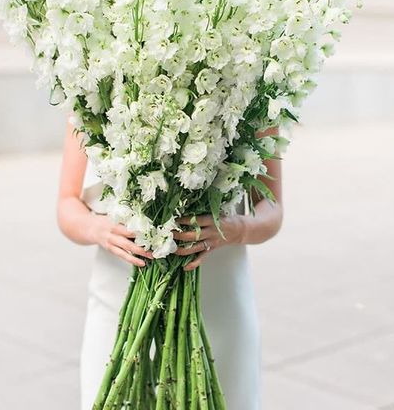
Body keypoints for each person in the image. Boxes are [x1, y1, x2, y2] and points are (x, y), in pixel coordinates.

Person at [57, 116, 284, 410]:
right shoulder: (85, 89)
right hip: (116, 300)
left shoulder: (255, 78)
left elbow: (272, 208)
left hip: (218, 302)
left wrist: (234, 227)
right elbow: (67, 202)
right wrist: (98, 229)